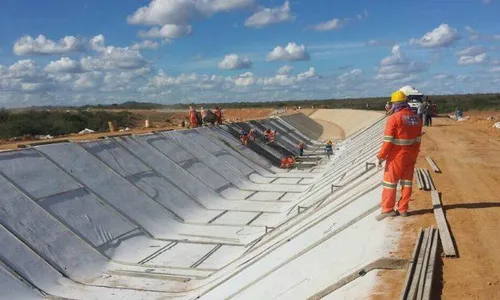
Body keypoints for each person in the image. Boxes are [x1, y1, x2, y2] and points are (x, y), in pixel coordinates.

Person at [375, 90, 423, 221]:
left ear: (396, 104)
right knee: (407, 183)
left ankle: (387, 209)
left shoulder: (394, 118)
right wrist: (414, 154)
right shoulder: (416, 118)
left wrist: (380, 157)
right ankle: (403, 209)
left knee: (390, 183)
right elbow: (419, 140)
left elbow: (388, 141)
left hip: (397, 156)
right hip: (411, 155)